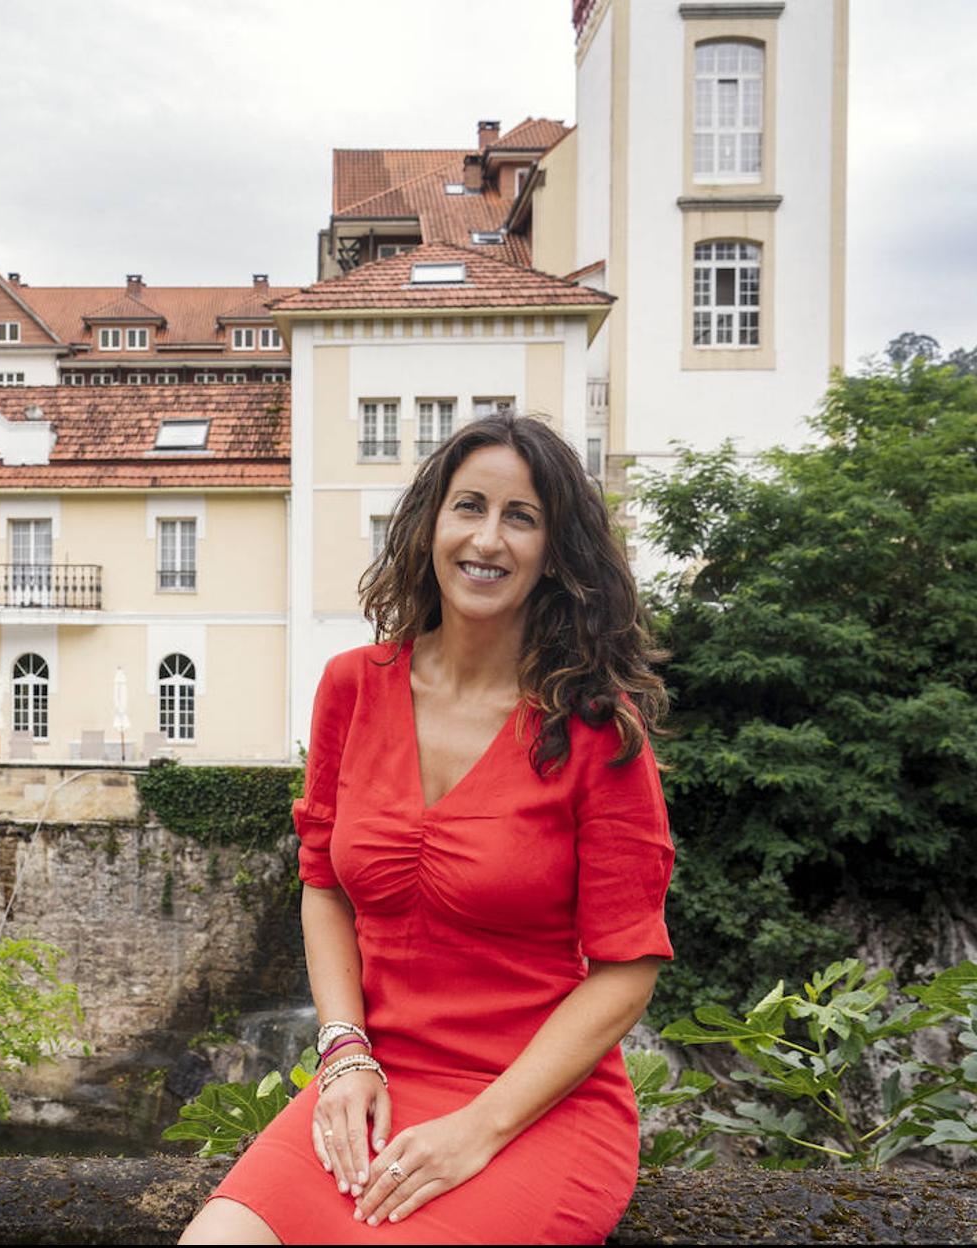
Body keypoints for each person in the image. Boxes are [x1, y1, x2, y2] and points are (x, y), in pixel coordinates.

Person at [180, 412, 673, 1245]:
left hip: (534, 1105)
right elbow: (324, 882)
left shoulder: (596, 728)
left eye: (521, 517)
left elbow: (628, 967)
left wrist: (478, 1130)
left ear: (555, 551)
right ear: (430, 525)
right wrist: (343, 1051)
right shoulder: (351, 686)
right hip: (374, 1079)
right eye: (469, 506)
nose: (488, 538)